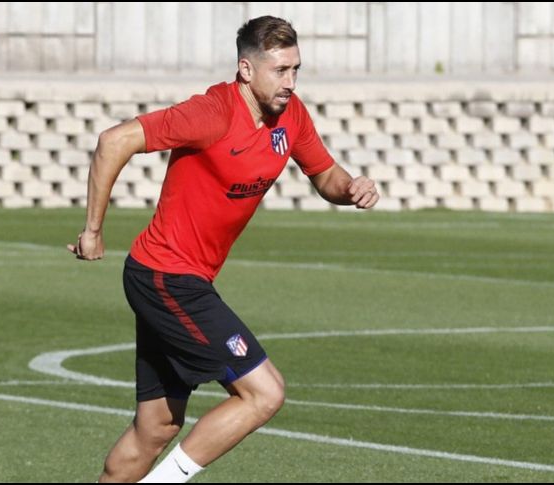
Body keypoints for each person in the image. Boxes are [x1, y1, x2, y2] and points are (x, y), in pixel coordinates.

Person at [67, 15, 379, 483]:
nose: (291, 82)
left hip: (175, 278)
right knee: (265, 393)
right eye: (281, 71)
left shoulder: (291, 116)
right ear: (246, 70)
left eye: (297, 69)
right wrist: (93, 229)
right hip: (167, 278)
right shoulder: (211, 112)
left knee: (157, 427)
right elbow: (114, 141)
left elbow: (324, 176)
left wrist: (350, 187)